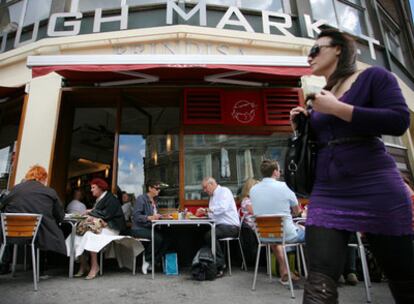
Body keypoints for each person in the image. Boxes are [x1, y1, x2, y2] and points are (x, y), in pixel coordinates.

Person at [289, 29, 414, 303]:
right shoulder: (321, 93)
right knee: (319, 278)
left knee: (403, 275)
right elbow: (323, 140)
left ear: (338, 49)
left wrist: (336, 109)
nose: (309, 56)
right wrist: (304, 125)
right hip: (328, 190)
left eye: (315, 49)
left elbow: (398, 120)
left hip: (376, 185)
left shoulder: (374, 76)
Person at [0, 165, 66, 276]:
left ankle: (5, 266)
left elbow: (3, 204)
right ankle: (39, 271)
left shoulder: (16, 188)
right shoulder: (49, 192)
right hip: (37, 234)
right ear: (42, 178)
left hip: (10, 233)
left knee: (8, 229)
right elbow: (60, 216)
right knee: (44, 231)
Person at [250, 160, 304, 285]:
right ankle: (318, 273)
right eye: (279, 170)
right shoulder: (284, 186)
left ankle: (285, 270)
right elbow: (297, 211)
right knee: (310, 233)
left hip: (264, 235)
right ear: (275, 172)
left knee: (275, 237)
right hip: (287, 234)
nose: (280, 172)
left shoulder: (253, 190)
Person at [67, 178, 126, 280]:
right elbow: (99, 213)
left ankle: (95, 266)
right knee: (76, 234)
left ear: (100, 188)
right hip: (102, 226)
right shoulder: (100, 199)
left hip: (112, 228)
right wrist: (91, 213)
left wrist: (89, 212)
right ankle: (84, 264)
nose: (91, 190)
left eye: (93, 187)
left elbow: (106, 214)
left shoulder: (111, 198)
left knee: (90, 236)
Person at [196, 177, 240, 278]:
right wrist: (204, 214)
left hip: (231, 226)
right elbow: (213, 214)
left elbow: (222, 208)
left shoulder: (224, 191)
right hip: (220, 226)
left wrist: (206, 210)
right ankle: (206, 262)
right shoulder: (212, 197)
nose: (204, 190)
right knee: (204, 233)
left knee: (210, 235)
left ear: (211, 184)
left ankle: (220, 265)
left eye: (205, 187)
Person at [130, 180, 171, 274]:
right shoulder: (141, 199)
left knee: (168, 238)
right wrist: (150, 217)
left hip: (149, 228)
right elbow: (136, 216)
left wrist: (162, 216)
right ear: (150, 188)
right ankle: (147, 260)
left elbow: (155, 215)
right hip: (138, 229)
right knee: (158, 238)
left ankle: (153, 261)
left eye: (159, 188)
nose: (158, 190)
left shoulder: (154, 200)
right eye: (156, 188)